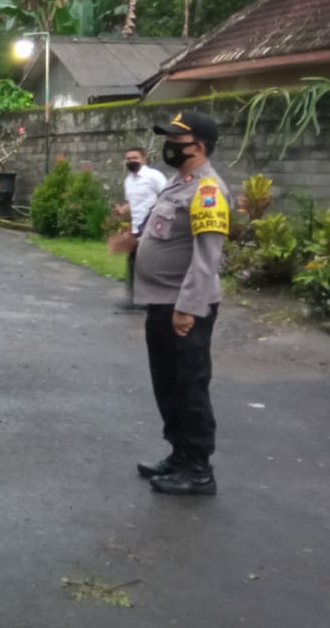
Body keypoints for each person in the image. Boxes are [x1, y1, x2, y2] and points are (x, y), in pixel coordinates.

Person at [123, 110, 229, 497]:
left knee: (190, 386)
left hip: (183, 307)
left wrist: (189, 308)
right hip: (161, 303)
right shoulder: (177, 183)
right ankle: (180, 453)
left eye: (175, 139)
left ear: (198, 146)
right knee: (167, 384)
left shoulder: (207, 191)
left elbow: (206, 257)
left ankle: (199, 468)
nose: (167, 145)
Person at [121, 147, 167, 308]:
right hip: (136, 228)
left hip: (151, 227)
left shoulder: (153, 176)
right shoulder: (129, 181)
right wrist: (122, 210)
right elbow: (132, 203)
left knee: (149, 263)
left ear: (143, 159)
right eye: (128, 158)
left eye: (134, 157)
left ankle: (152, 300)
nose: (131, 161)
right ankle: (135, 298)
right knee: (133, 263)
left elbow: (167, 196)